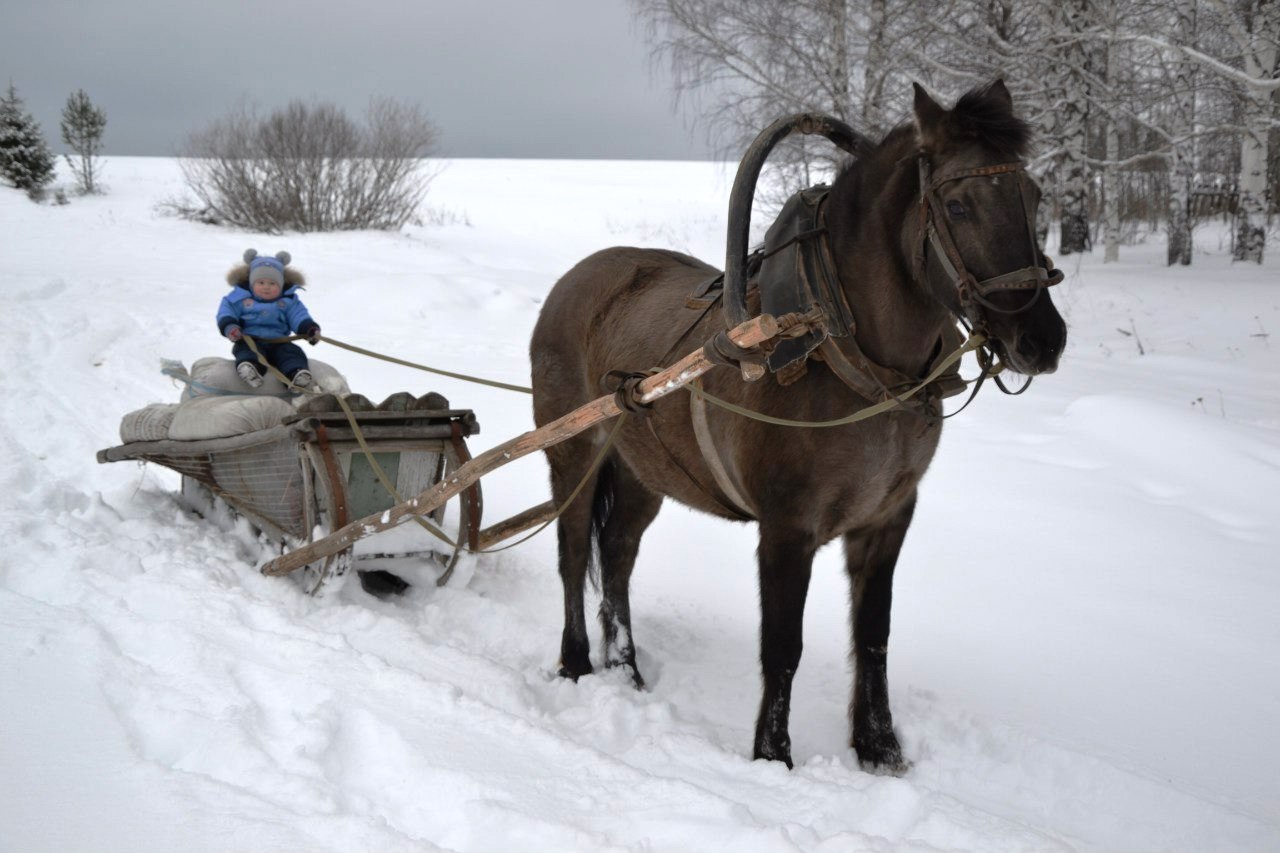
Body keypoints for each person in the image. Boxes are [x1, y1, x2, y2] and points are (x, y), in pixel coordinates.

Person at [216, 249, 321, 388]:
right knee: (246, 350)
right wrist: (230, 326)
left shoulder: (288, 301)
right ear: (252, 284)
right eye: (261, 283)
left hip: (279, 341)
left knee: (292, 352)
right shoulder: (240, 298)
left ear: (281, 285)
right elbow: (226, 311)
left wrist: (309, 329)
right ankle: (250, 369)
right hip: (250, 340)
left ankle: (295, 375)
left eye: (272, 284)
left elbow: (299, 315)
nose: (266, 287)